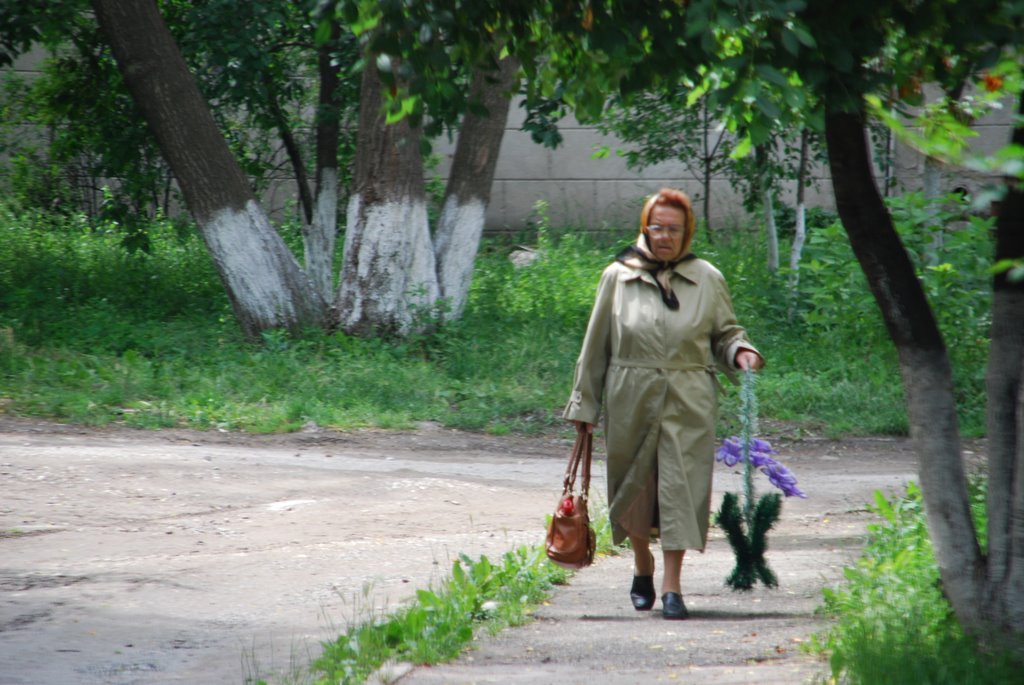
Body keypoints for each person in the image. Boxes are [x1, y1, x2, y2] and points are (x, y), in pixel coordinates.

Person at [563, 188, 764, 620]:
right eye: (657, 227)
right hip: (629, 394)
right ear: (645, 227)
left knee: (681, 487)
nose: (664, 236)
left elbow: (726, 333)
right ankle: (642, 566)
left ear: (687, 231)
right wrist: (584, 407)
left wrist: (741, 353)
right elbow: (595, 345)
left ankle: (673, 587)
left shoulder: (707, 277)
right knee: (634, 487)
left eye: (673, 229)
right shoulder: (617, 276)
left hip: (688, 398)